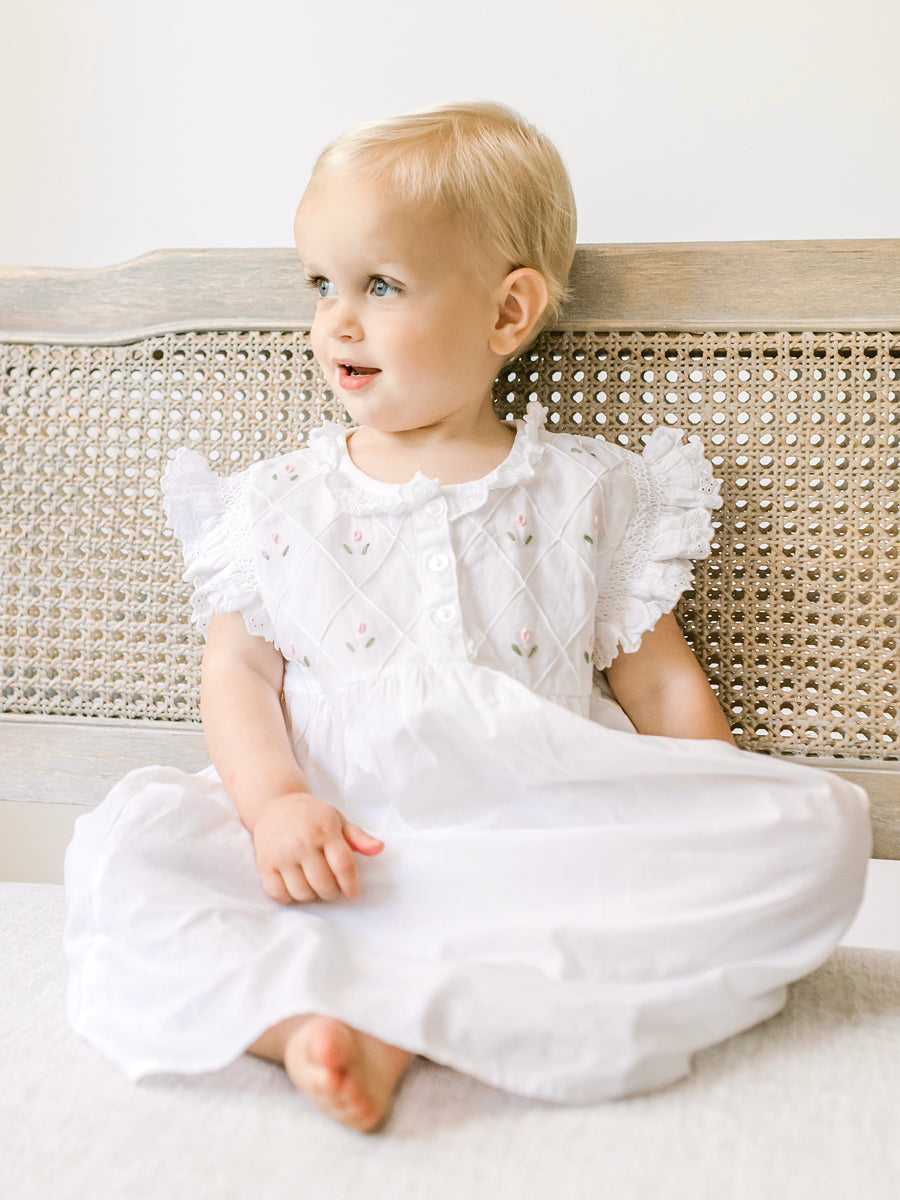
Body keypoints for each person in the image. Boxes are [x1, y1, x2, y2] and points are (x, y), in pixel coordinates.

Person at [64, 101, 870, 1133]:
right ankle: (309, 1019)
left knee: (816, 832)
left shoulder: (590, 492)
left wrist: (710, 802)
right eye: (320, 286)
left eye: (379, 286)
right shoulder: (275, 504)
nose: (335, 322)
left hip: (541, 843)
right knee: (127, 859)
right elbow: (237, 675)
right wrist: (272, 806)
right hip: (340, 843)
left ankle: (424, 1005)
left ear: (506, 314)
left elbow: (659, 678)